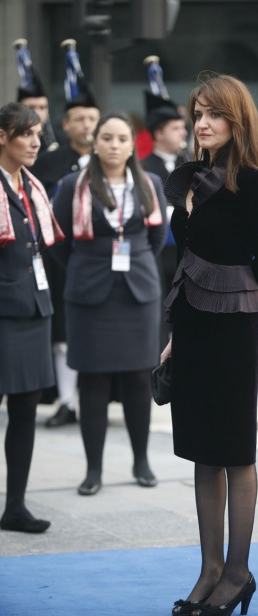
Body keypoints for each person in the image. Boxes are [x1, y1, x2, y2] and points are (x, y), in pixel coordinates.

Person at [160, 73, 258, 616]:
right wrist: (173, 338)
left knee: (234, 449)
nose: (202, 123)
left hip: (234, 326)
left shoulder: (255, 182)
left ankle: (238, 572)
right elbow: (181, 255)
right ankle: (209, 570)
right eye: (198, 113)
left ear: (238, 120)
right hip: (190, 323)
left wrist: (240, 292)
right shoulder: (190, 177)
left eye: (214, 114)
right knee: (202, 449)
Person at [50, 112, 167, 495]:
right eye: (107, 138)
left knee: (138, 376)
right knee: (94, 380)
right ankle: (93, 470)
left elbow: (156, 238)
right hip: (89, 292)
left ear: (133, 145)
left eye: (121, 139)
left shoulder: (150, 183)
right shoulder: (73, 184)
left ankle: (141, 461)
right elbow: (60, 241)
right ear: (95, 143)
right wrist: (90, 265)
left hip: (138, 291)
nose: (114, 145)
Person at [0, 102, 64, 532]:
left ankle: (15, 507)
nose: (35, 142)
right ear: (2, 137)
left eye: (38, 134)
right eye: (26, 134)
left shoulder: (33, 187)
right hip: (3, 313)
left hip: (34, 309)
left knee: (25, 409)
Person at [31, 47, 101, 427]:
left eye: (92, 117)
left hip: (102, 258)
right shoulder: (48, 163)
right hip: (61, 258)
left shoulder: (112, 162)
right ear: (67, 123)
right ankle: (66, 400)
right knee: (62, 332)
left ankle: (96, 399)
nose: (87, 125)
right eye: (79, 119)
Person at [141, 93, 190, 348]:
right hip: (160, 254)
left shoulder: (191, 164)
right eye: (176, 128)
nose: (183, 132)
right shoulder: (143, 168)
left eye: (183, 127)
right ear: (158, 134)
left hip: (189, 252)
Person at [14, 38, 61, 155]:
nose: (37, 113)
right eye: (31, 107)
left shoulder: (61, 142)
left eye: (42, 107)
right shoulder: (8, 141)